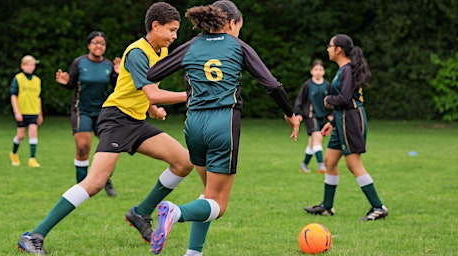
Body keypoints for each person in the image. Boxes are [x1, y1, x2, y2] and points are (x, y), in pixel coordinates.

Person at [17, 3, 194, 254]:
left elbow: (139, 88)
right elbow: (152, 92)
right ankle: (34, 236)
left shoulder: (160, 51)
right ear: (155, 26)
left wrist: (151, 108)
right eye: (171, 30)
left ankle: (140, 213)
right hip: (116, 119)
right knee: (96, 182)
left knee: (184, 162)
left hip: (134, 121)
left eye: (177, 31)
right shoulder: (137, 52)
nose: (175, 36)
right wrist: (189, 94)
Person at [145, 1, 300, 255]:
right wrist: (290, 114)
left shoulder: (191, 45)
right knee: (219, 204)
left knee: (208, 192)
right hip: (222, 124)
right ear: (231, 23)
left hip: (193, 124)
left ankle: (193, 252)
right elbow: (272, 85)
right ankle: (176, 211)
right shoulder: (237, 46)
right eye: (239, 26)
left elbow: (153, 73)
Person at [303, 34, 388, 221]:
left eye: (330, 45)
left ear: (338, 49)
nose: (328, 49)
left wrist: (327, 100)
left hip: (351, 120)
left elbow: (344, 98)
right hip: (341, 120)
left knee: (353, 164)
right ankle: (327, 207)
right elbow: (343, 100)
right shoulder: (343, 69)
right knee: (329, 161)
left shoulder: (347, 69)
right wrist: (331, 123)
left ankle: (378, 207)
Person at [55, 31, 120, 197]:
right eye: (95, 42)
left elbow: (118, 88)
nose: (99, 46)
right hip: (81, 110)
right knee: (83, 147)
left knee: (111, 147)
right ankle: (81, 187)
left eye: (102, 43)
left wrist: (119, 74)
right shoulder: (79, 62)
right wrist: (65, 81)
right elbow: (71, 83)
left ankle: (105, 179)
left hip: (102, 112)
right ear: (89, 45)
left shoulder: (108, 66)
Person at [294, 59, 330, 174]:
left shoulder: (327, 85)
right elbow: (300, 99)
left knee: (312, 141)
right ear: (311, 71)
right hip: (310, 116)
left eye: (320, 69)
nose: (318, 72)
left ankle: (304, 165)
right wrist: (298, 113)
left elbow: (331, 101)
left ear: (324, 71)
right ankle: (321, 165)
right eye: (316, 69)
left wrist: (332, 114)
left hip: (322, 117)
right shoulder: (307, 85)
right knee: (317, 138)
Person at [9, 55, 43, 168]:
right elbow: (13, 96)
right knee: (21, 135)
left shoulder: (37, 80)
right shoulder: (18, 78)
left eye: (32, 64)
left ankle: (32, 159)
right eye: (28, 64)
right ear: (22, 65)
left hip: (33, 111)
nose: (30, 67)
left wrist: (40, 113)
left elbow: (38, 97)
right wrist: (16, 112)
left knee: (33, 133)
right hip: (22, 112)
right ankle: (13, 154)